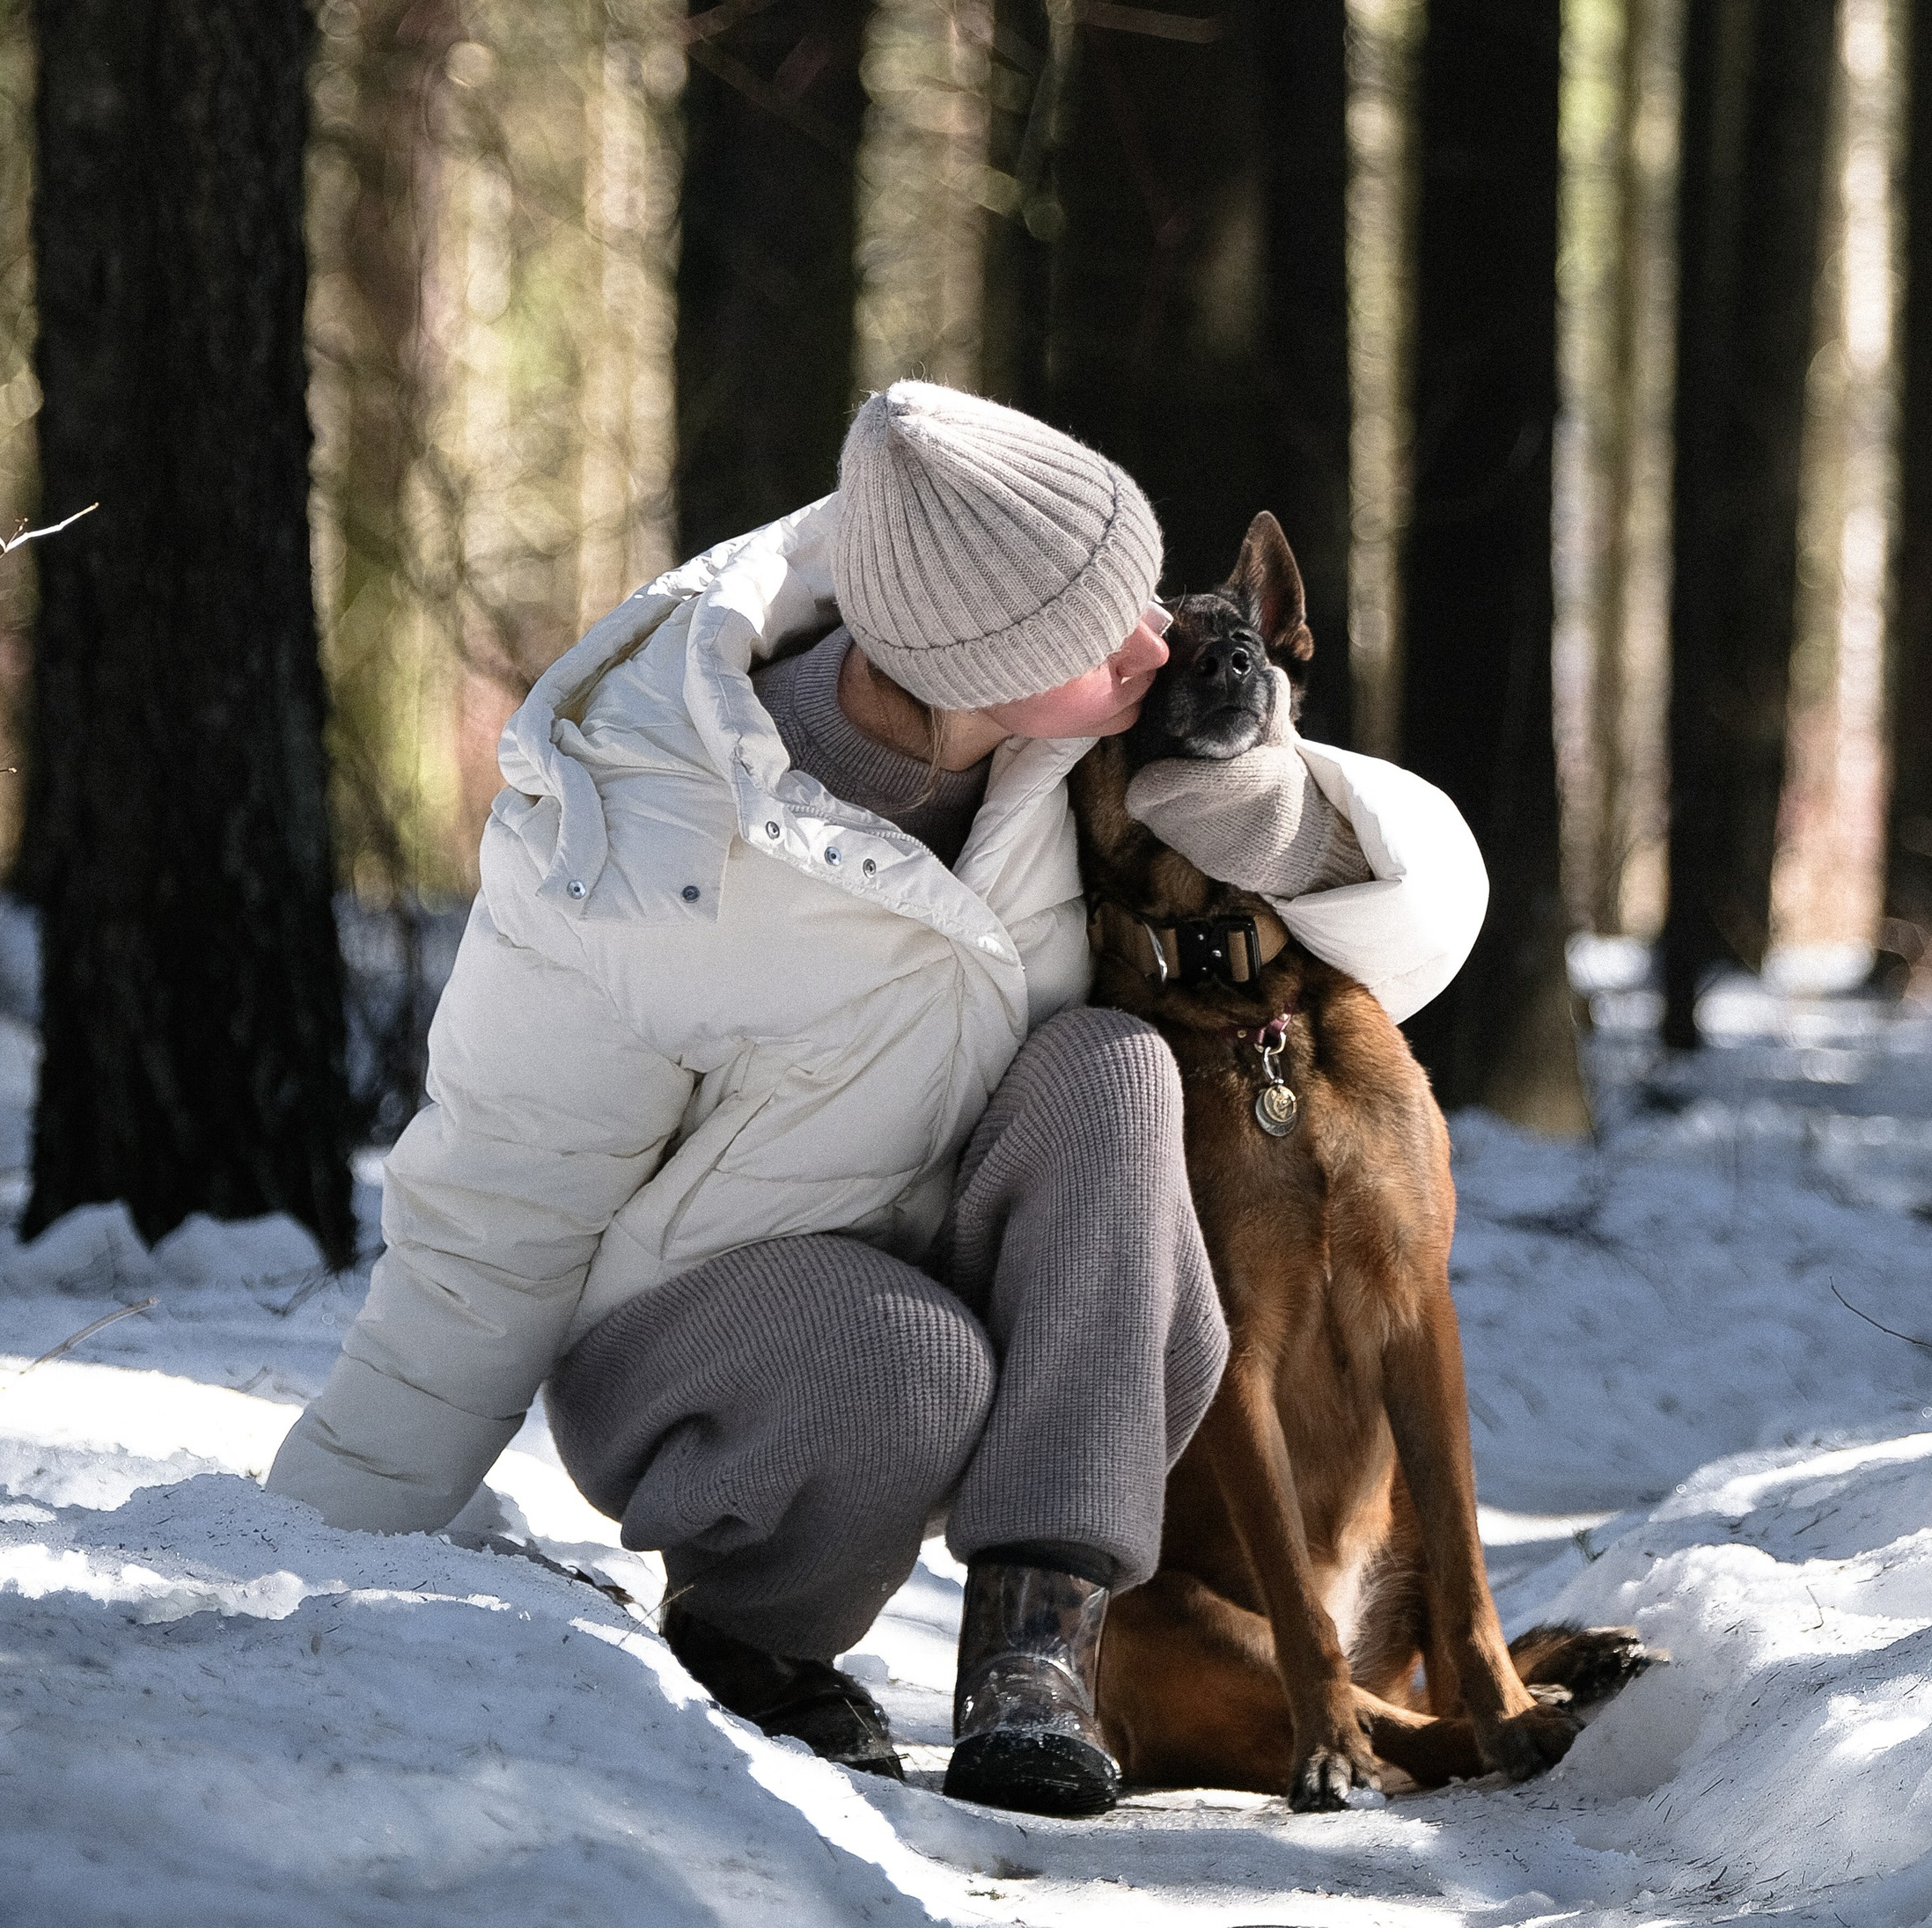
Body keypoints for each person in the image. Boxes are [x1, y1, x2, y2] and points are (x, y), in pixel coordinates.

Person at [268, 381, 1486, 1815]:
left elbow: (1426, 908)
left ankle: (1038, 1646)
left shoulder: (1067, 752)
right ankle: (753, 1637)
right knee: (906, 1357)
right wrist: (307, 1545)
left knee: (1114, 1067)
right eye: (1115, 627)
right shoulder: (635, 840)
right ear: (988, 665)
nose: (1158, 636)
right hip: (701, 1347)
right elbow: (496, 1201)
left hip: (951, 1277)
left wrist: (1290, 822)